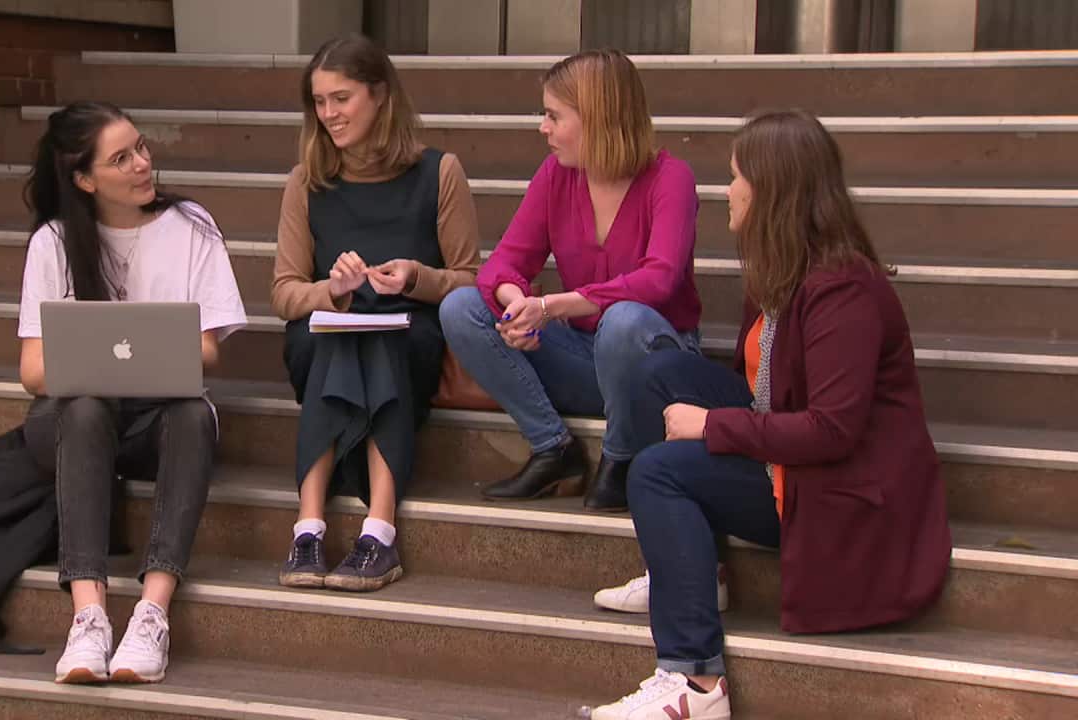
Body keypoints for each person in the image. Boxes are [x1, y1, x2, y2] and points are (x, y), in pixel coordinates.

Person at [591, 110, 951, 720]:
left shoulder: (845, 288)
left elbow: (831, 430)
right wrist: (718, 420)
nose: (725, 190)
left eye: (735, 177)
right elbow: (760, 388)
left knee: (657, 472)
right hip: (789, 462)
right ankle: (695, 573)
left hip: (837, 493)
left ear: (772, 188)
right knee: (657, 374)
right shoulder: (779, 270)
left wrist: (713, 428)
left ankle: (695, 685)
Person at [17, 102, 248, 684]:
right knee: (87, 406)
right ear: (85, 179)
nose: (143, 164)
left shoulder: (192, 224)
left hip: (155, 419)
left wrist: (136, 355)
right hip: (73, 421)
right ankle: (89, 616)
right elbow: (33, 372)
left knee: (194, 414)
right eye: (122, 158)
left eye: (141, 148)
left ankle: (152, 612)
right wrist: (97, 365)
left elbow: (208, 350)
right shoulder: (53, 242)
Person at [439, 49, 701, 512]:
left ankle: (621, 459)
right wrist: (517, 303)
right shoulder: (557, 176)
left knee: (622, 322)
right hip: (584, 360)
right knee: (460, 308)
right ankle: (554, 448)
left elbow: (658, 281)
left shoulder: (670, 179)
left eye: (554, 116)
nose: (544, 128)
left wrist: (553, 306)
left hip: (655, 364)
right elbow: (502, 263)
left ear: (597, 117)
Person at [272, 34, 480, 592]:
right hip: (326, 336)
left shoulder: (440, 172)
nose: (328, 114)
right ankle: (311, 527)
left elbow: (470, 281)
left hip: (407, 335)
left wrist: (417, 276)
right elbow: (285, 292)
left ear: (380, 95)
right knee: (339, 337)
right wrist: (332, 292)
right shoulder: (306, 181)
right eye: (318, 102)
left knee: (383, 339)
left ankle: (378, 529)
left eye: (341, 98)